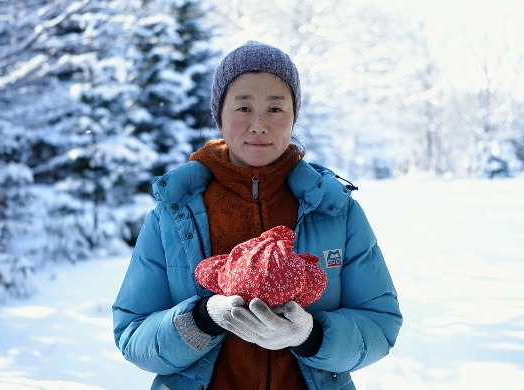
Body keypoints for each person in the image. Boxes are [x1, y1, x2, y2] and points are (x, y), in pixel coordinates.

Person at [112, 41, 403, 390]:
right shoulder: (173, 215)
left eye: (276, 109)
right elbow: (133, 333)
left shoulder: (336, 211)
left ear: (294, 116)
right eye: (243, 107)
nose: (259, 125)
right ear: (219, 115)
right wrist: (202, 319)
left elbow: (380, 323)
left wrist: (310, 336)